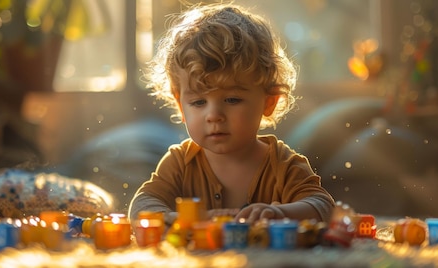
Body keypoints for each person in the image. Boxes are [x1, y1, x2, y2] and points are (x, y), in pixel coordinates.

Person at [128, 3, 335, 226]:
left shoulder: (283, 165)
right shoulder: (180, 163)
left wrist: (279, 213)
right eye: (198, 102)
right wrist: (175, 218)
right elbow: (141, 205)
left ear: (269, 101)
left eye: (232, 100)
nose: (214, 115)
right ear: (181, 106)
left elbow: (324, 206)